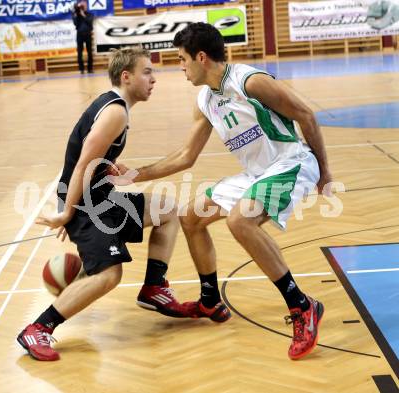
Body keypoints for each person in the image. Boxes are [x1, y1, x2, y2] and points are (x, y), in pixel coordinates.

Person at [111, 23, 333, 360]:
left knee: (240, 221)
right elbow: (187, 156)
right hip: (256, 174)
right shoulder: (205, 99)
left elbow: (307, 115)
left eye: (183, 59)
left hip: (292, 162)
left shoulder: (250, 82)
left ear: (202, 57)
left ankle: (302, 306)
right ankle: (210, 299)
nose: (181, 67)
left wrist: (324, 172)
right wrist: (137, 174)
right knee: (191, 216)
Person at [17, 48, 188, 362]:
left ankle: (153, 288)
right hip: (84, 203)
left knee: (166, 208)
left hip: (97, 197)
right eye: (147, 72)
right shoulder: (115, 112)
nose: (154, 79)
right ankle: (38, 328)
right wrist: (68, 213)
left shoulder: (116, 107)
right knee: (109, 275)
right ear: (127, 76)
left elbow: (92, 160)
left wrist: (110, 169)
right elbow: (81, 165)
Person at [72, 1, 94, 74]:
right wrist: (77, 14)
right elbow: (75, 23)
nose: (82, 7)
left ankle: (90, 69)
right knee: (79, 52)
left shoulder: (90, 14)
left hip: (88, 34)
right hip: (80, 35)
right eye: (81, 6)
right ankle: (81, 69)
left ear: (86, 6)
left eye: (84, 5)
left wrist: (83, 15)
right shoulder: (76, 15)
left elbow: (90, 22)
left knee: (90, 52)